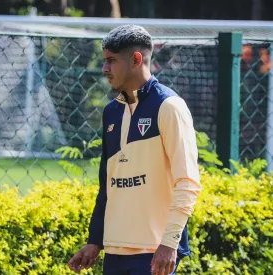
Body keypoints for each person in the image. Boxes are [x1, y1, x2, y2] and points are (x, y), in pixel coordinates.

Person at [68, 25, 202, 275]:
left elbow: (188, 182)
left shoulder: (169, 107)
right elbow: (107, 185)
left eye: (111, 61)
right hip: (115, 251)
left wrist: (169, 242)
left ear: (136, 59)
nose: (105, 68)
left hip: (155, 252)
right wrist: (95, 240)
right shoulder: (111, 111)